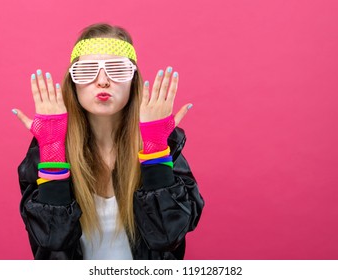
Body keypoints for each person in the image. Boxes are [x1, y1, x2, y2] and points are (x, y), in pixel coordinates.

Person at [12, 23, 204, 260]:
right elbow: (52, 240)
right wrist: (53, 152)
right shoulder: (51, 144)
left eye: (117, 69)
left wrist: (155, 150)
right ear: (73, 83)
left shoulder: (163, 141)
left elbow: (168, 235)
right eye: (87, 71)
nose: (102, 81)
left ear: (133, 80)